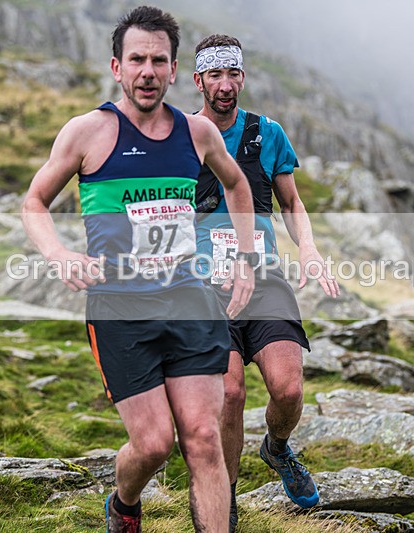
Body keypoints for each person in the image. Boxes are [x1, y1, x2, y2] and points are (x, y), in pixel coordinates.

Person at [21, 8, 257, 533]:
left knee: (203, 438)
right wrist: (59, 254)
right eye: (137, 60)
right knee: (153, 445)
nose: (147, 71)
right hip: (120, 308)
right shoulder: (88, 132)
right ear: (116, 66)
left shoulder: (197, 134)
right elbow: (34, 202)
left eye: (158, 60)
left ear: (175, 71)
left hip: (190, 300)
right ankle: (124, 502)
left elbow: (239, 186)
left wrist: (244, 260)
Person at [192, 34, 340, 530]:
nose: (226, 85)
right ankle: (227, 502)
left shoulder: (266, 133)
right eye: (216, 75)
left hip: (265, 277)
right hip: (206, 286)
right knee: (230, 394)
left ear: (243, 77)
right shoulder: (180, 137)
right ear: (198, 81)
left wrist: (311, 250)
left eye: (233, 74)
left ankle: (276, 448)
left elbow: (292, 203)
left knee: (289, 390)